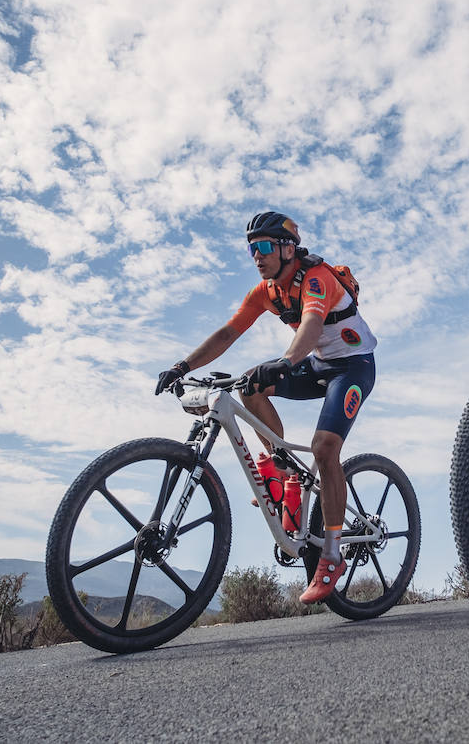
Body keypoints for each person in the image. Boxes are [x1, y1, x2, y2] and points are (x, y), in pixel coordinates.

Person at [154, 212, 377, 604]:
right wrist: (183, 365)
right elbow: (229, 331)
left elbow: (310, 325)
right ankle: (283, 468)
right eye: (250, 249)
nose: (256, 257)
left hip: (354, 366)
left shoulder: (315, 279)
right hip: (318, 363)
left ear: (287, 248)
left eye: (263, 247)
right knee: (250, 386)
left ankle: (331, 554)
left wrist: (287, 361)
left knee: (325, 448)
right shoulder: (267, 291)